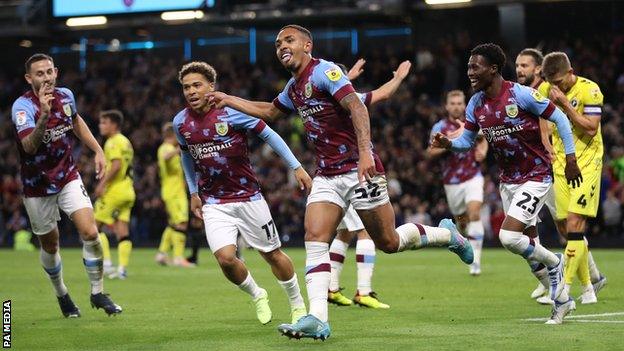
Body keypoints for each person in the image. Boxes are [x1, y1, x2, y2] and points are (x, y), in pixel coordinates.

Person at [207, 24, 473, 340]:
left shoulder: (326, 72)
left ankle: (447, 236)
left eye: (289, 40)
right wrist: (227, 99)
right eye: (278, 43)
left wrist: (365, 153)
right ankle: (317, 318)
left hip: (360, 169)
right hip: (327, 175)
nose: (281, 46)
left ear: (308, 44)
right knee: (315, 236)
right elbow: (269, 111)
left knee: (388, 242)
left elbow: (358, 106)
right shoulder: (294, 88)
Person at [432, 43, 582, 324]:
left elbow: (560, 117)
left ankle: (557, 262)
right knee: (529, 251)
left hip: (536, 176)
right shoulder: (476, 103)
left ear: (494, 69)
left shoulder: (521, 94)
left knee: (508, 237)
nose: (470, 72)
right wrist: (449, 144)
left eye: (475, 67)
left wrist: (571, 158)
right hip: (508, 181)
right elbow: (467, 141)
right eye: (468, 67)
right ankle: (562, 300)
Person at [174, 61, 308, 326]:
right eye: (186, 87)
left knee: (272, 255)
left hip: (248, 198)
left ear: (211, 86)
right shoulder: (180, 122)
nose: (191, 91)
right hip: (214, 203)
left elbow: (270, 135)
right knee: (225, 259)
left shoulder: (231, 112)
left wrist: (297, 167)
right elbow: (186, 156)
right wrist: (193, 192)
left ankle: (297, 304)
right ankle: (258, 294)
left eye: (197, 85)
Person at [10, 53, 121, 317]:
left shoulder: (66, 96)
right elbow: (28, 145)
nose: (46, 77)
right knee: (51, 246)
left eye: (49, 71)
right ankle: (62, 295)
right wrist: (44, 116)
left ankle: (97, 293)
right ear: (29, 78)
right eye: (39, 73)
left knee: (91, 232)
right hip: (37, 186)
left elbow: (76, 121)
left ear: (56, 72)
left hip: (67, 176)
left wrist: (98, 150)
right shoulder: (22, 107)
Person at [515, 48, 607, 305]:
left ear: (571, 73)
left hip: (586, 164)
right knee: (567, 229)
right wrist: (546, 141)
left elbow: (590, 129)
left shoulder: (590, 90)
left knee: (576, 225)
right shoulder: (546, 90)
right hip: (560, 166)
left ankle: (562, 288)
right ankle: (590, 286)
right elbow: (543, 116)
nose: (555, 88)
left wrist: (565, 104)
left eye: (559, 82)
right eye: (551, 83)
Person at [328, 59, 412, 309]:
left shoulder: (320, 105)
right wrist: (398, 78)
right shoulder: (350, 100)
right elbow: (384, 93)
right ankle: (364, 291)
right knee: (366, 232)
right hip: (354, 171)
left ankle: (331, 287)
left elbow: (332, 90)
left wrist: (348, 77)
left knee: (343, 232)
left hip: (331, 173)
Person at [427, 90, 488, 276]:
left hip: (473, 176)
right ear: (447, 106)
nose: (456, 106)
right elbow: (431, 152)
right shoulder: (440, 127)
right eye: (452, 103)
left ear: (464, 105)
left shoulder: (472, 121)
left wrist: (483, 152)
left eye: (459, 103)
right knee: (462, 222)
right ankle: (465, 243)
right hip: (451, 181)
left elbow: (483, 138)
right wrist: (449, 143)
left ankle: (476, 262)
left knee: (475, 212)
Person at [94, 110, 136, 280]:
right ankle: (122, 269)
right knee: (122, 230)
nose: (101, 126)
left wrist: (101, 184)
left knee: (94, 226)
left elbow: (117, 165)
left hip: (114, 191)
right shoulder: (125, 141)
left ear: (113, 124)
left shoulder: (112, 142)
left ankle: (107, 265)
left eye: (104, 122)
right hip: (128, 190)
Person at [155, 122, 194, 267]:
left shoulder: (167, 148)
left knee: (173, 224)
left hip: (173, 191)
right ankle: (178, 257)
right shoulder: (166, 148)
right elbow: (166, 157)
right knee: (181, 223)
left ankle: (162, 253)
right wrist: (180, 149)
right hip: (174, 193)